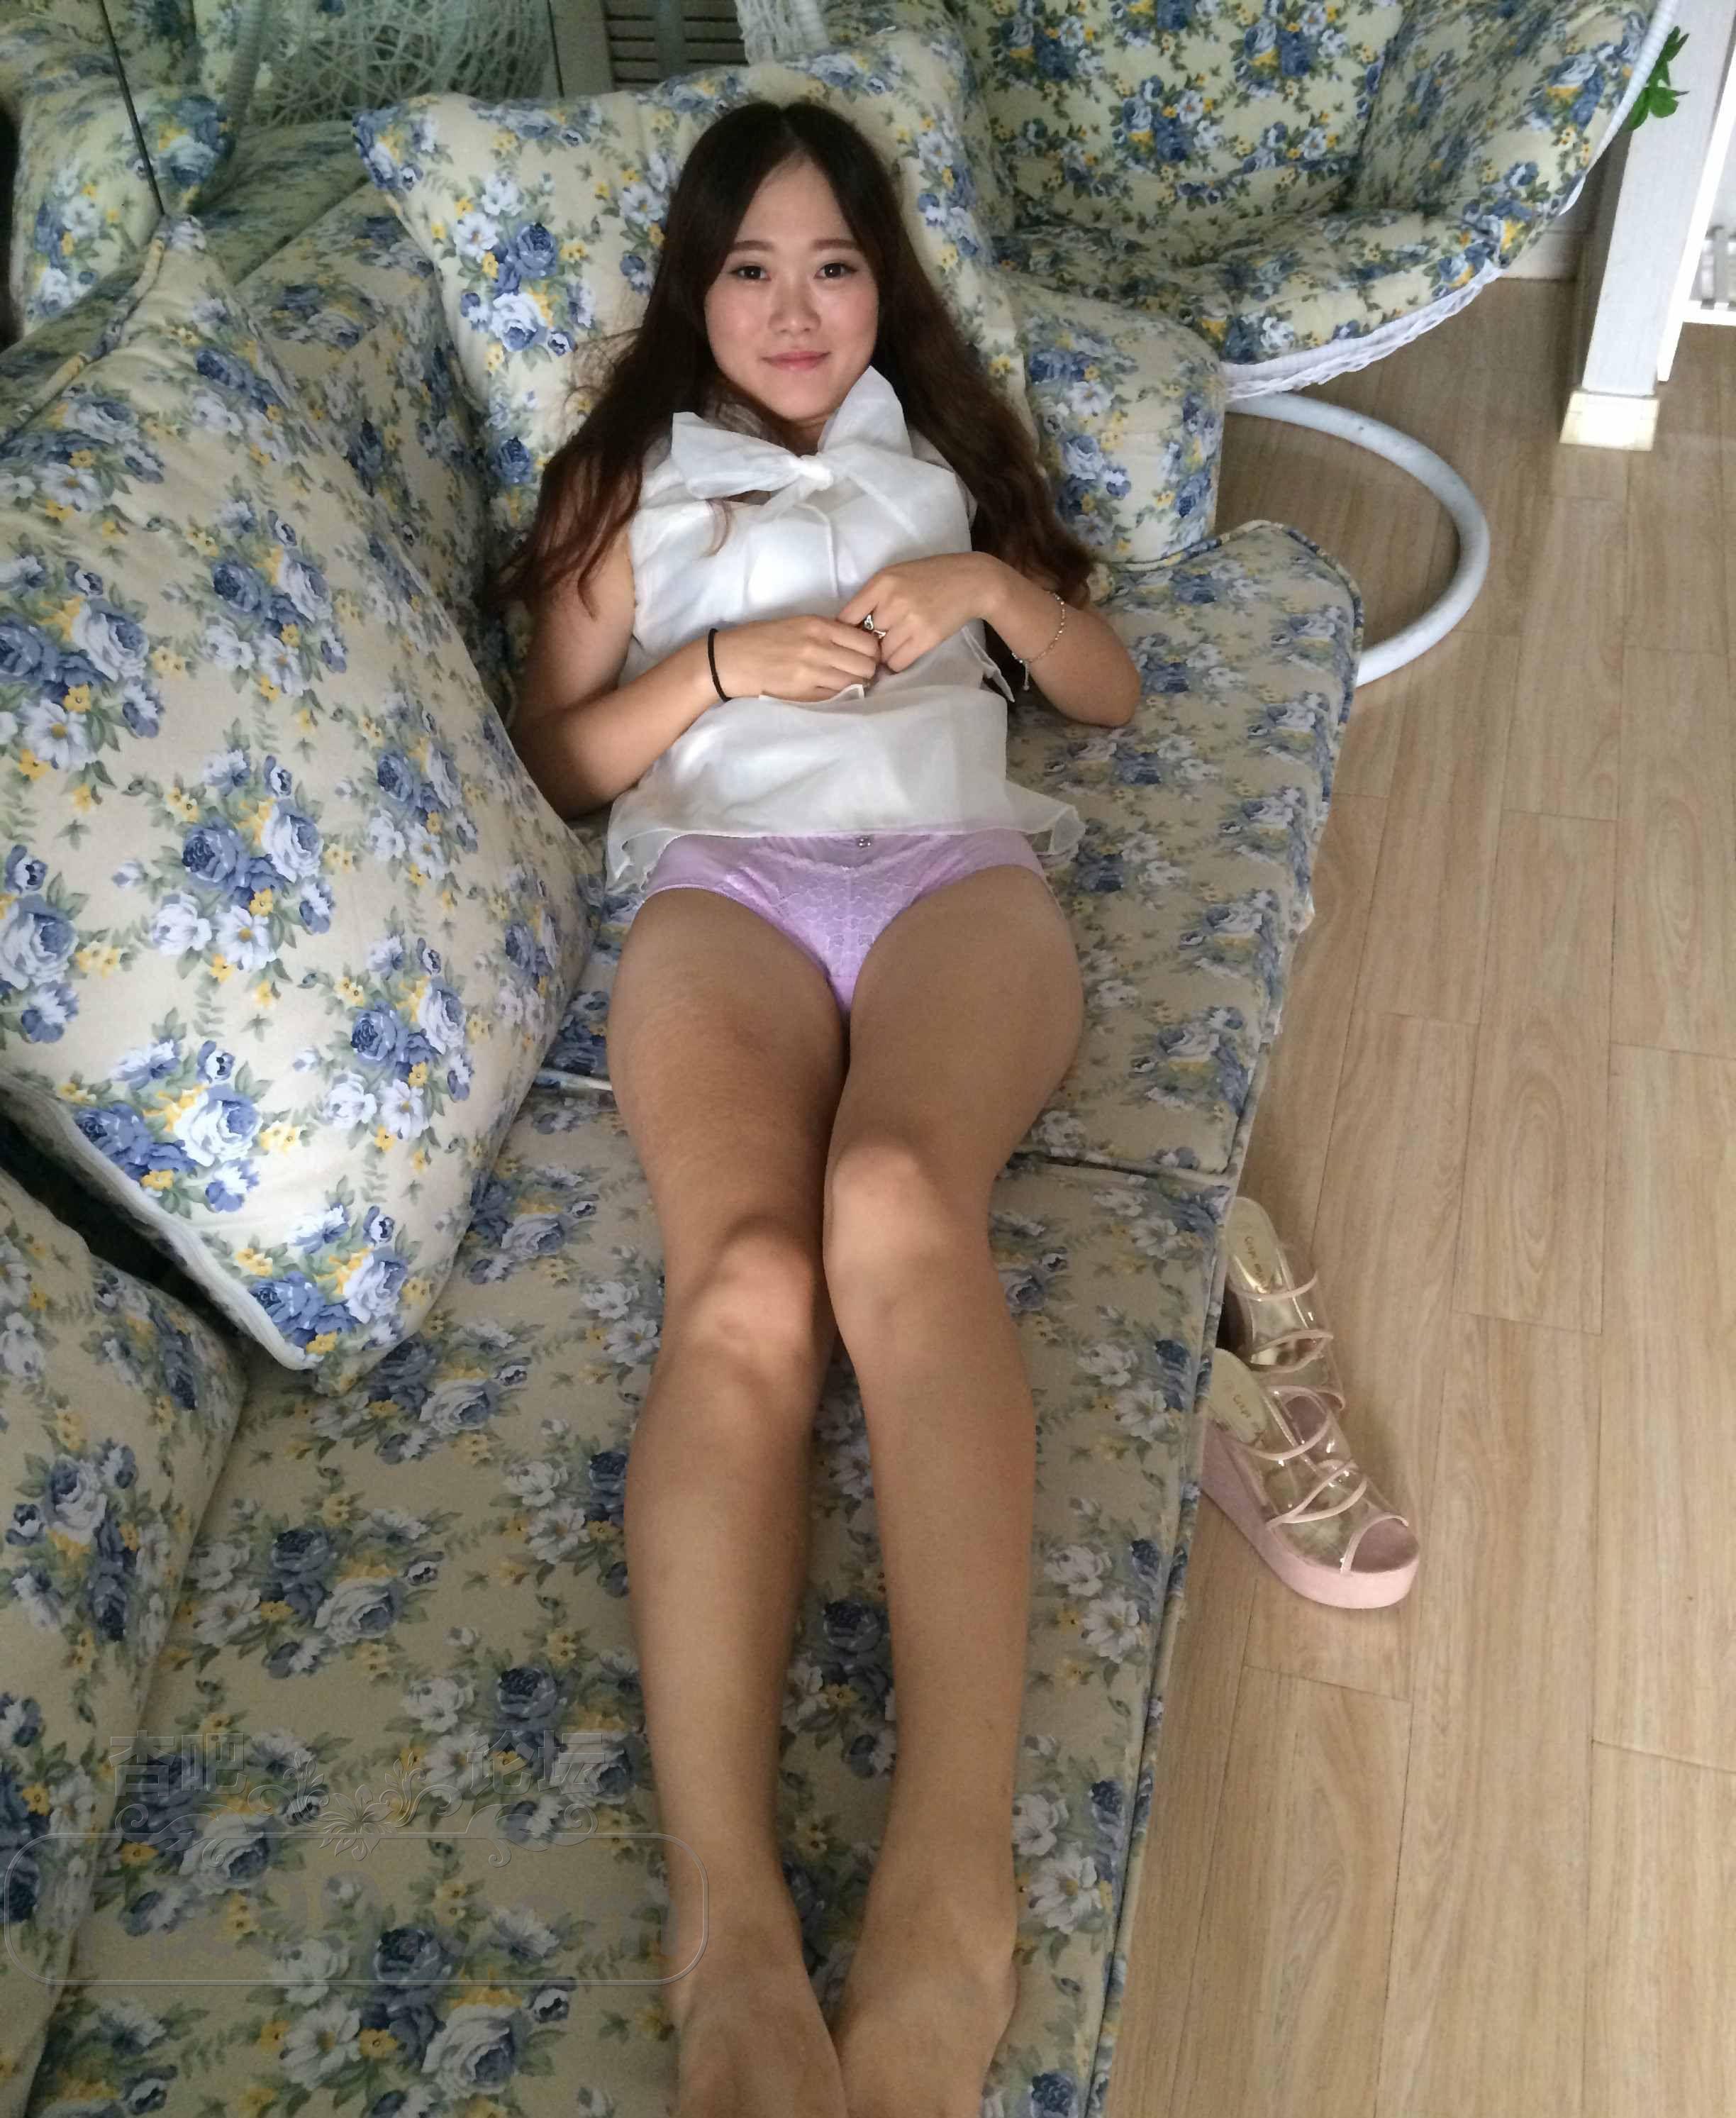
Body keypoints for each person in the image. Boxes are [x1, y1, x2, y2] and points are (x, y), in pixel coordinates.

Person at [503, 94, 1141, 2118]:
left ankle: (951, 1885)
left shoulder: (943, 446)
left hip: (956, 874)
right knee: (748, 1284)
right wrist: (718, 671)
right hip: (728, 894)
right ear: (693, 293)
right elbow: (561, 757)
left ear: (887, 288)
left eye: (836, 266)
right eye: (752, 269)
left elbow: (1109, 689)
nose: (795, 310)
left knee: (894, 1199)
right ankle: (729, 1925)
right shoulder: (623, 481)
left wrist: (984, 596)